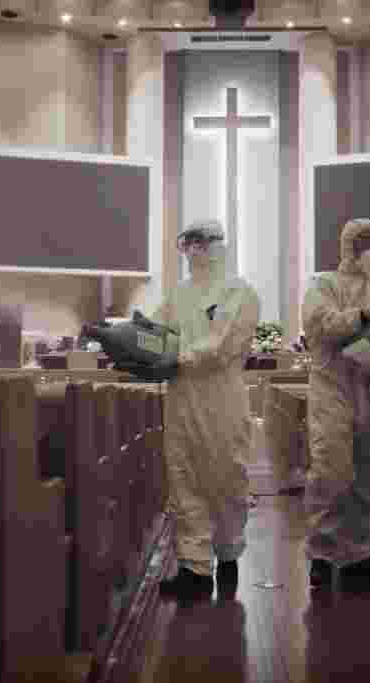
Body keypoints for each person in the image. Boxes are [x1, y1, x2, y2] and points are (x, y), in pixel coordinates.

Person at [117, 219, 261, 598]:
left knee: (227, 477)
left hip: (221, 399)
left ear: (216, 245)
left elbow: (220, 346)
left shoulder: (238, 291)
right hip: (181, 397)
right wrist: (125, 337)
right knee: (184, 478)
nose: (192, 251)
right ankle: (194, 569)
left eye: (199, 242)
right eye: (187, 243)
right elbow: (156, 331)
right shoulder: (179, 294)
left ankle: (228, 551)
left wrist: (178, 357)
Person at [301, 217, 370, 590]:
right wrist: (361, 317)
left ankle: (359, 552)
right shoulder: (323, 285)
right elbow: (321, 326)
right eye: (364, 241)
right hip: (333, 386)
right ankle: (322, 551)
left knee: (369, 470)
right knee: (330, 468)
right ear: (348, 245)